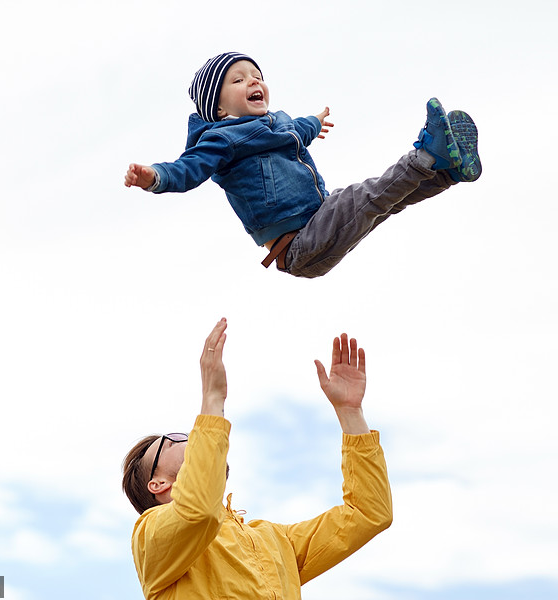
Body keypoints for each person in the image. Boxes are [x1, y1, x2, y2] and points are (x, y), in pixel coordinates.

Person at [124, 51, 482, 278]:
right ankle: (428, 155)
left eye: (256, 75)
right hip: (298, 246)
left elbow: (296, 130)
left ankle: (446, 172)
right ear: (218, 110)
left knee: (384, 202)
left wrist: (314, 121)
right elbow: (188, 168)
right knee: (365, 196)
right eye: (237, 80)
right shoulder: (220, 139)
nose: (253, 80)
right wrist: (154, 176)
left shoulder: (275, 123)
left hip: (317, 223)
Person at [121, 318, 393, 599]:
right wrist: (212, 400)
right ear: (158, 483)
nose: (192, 438)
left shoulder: (274, 541)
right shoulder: (150, 536)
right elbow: (199, 511)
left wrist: (350, 413)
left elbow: (368, 514)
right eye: (174, 441)